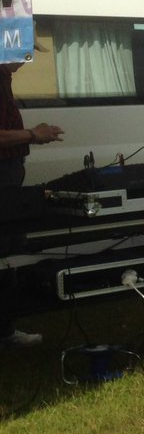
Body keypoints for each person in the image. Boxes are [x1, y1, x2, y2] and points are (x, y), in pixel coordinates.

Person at [0, 60, 63, 346]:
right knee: (4, 253)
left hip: (10, 173)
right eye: (23, 54)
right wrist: (32, 135)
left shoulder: (4, 77)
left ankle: (4, 329)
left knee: (10, 251)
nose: (26, 62)